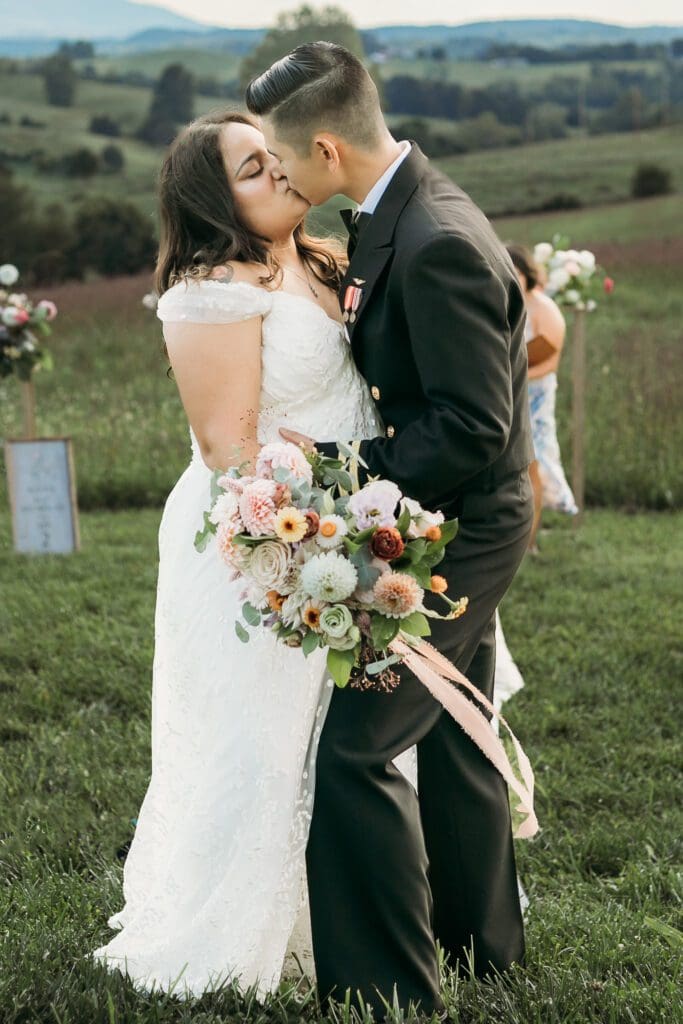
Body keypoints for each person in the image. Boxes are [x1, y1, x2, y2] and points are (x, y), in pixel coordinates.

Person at [247, 41, 535, 1018]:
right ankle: (482, 942)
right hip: (436, 512)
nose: (279, 179)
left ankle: (388, 992)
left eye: (284, 163)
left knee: (357, 750)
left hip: (467, 526)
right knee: (459, 727)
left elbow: (470, 425)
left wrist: (334, 478)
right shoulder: (393, 212)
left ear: (325, 148)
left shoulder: (436, 237)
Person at [90, 111, 385, 998]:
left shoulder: (326, 260)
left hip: (343, 524)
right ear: (215, 198)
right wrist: (307, 537)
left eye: (277, 156)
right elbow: (228, 446)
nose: (281, 174)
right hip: (256, 537)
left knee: (340, 736)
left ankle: (356, 918)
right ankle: (233, 938)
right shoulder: (210, 287)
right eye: (254, 169)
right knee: (259, 742)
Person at [507, 243, 578, 551]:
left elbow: (550, 359)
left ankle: (530, 540)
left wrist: (514, 376)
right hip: (511, 394)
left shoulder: (543, 308)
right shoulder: (509, 304)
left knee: (536, 463)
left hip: (534, 395)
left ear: (527, 272)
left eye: (515, 271)